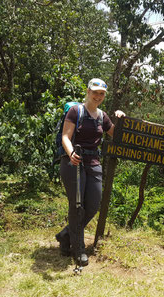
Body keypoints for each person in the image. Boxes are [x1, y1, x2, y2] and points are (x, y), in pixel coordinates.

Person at [55, 78, 125, 266]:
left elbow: (117, 135)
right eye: (95, 92)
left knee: (93, 205)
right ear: (88, 91)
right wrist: (71, 153)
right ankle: (78, 250)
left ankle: (65, 235)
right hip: (73, 163)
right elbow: (65, 136)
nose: (98, 96)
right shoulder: (75, 111)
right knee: (77, 206)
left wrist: (120, 119)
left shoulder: (103, 116)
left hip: (93, 162)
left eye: (101, 94)